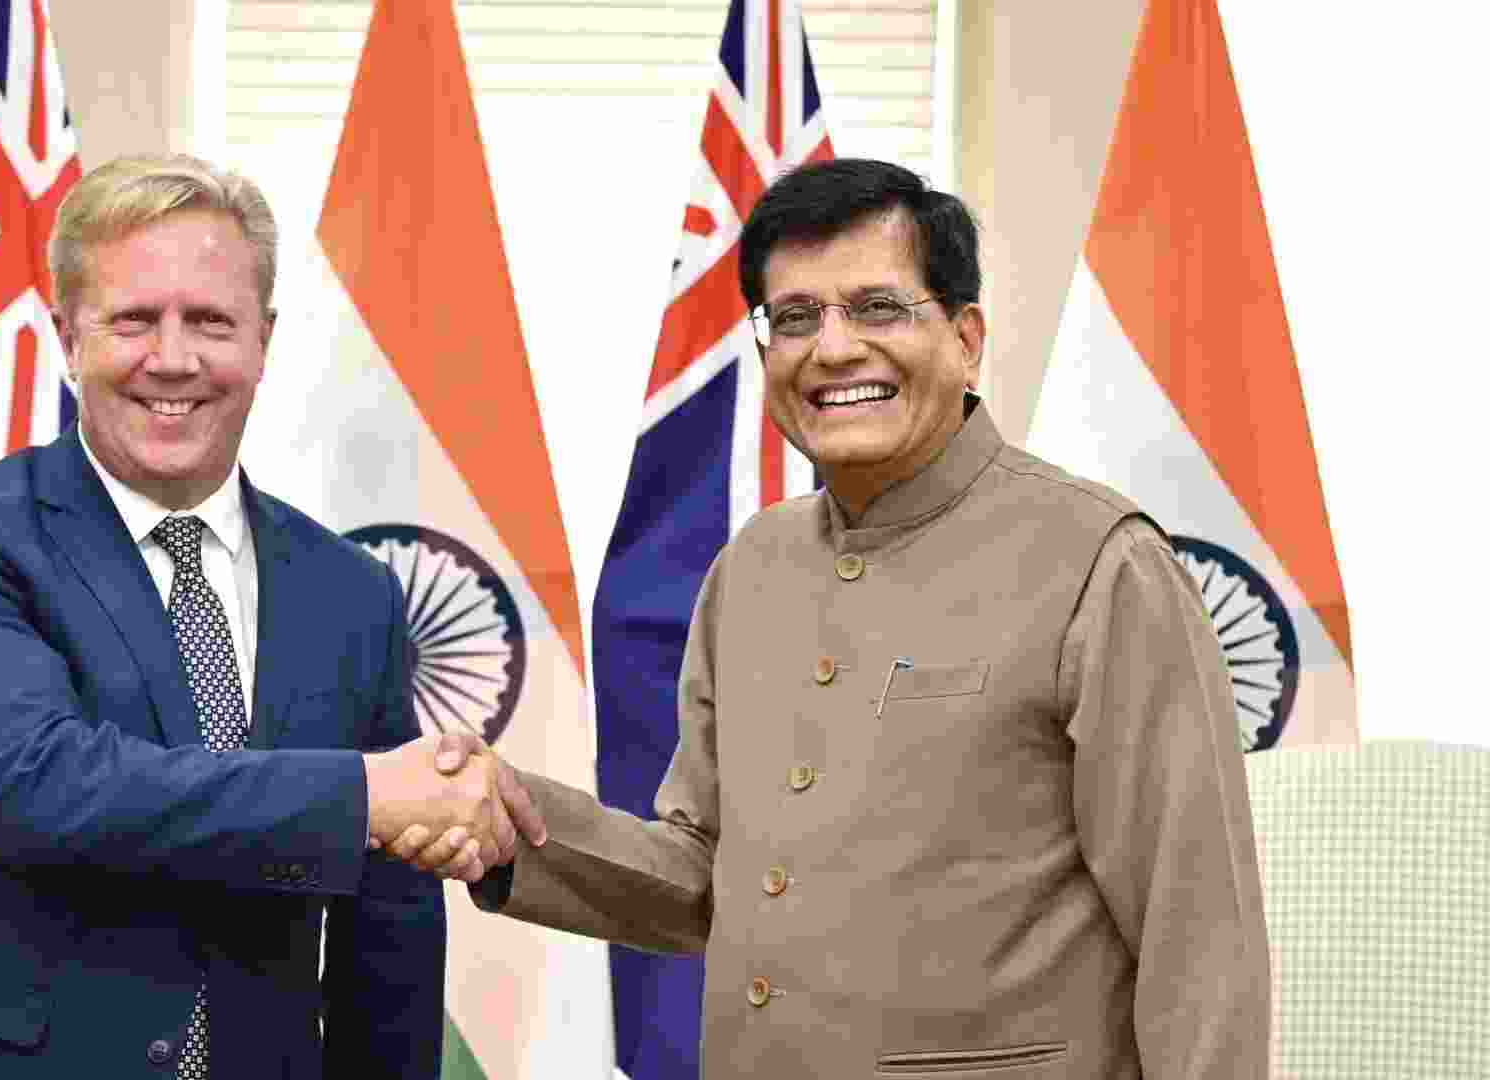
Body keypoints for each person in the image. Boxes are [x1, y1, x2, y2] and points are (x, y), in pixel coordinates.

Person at [404, 158, 1271, 1077]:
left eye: (878, 308)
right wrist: (516, 825)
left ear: (967, 338)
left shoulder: (1102, 563)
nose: (833, 348)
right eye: (794, 318)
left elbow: (1200, 937)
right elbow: (702, 874)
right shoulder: (751, 570)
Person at [0, 154, 531, 1080]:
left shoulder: (350, 588)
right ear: (68, 335)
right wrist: (366, 794)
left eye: (210, 321)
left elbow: (385, 928)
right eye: (132, 321)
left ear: (264, 340)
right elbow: (43, 787)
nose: (173, 358)